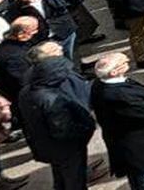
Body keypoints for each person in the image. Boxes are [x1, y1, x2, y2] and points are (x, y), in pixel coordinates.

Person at [18, 43, 99, 190]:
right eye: (54, 49)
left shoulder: (28, 88)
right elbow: (64, 127)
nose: (60, 49)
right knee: (74, 181)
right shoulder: (53, 94)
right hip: (67, 146)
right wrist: (86, 128)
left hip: (48, 144)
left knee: (61, 176)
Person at [88, 51, 144, 190]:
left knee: (137, 174)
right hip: (137, 147)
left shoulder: (101, 83)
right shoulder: (119, 95)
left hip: (126, 143)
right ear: (113, 72)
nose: (127, 61)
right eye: (123, 63)